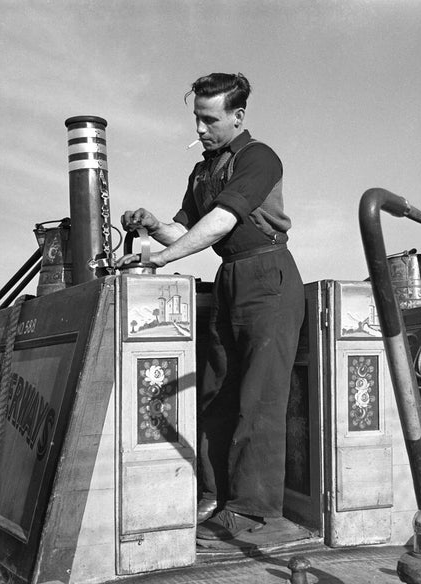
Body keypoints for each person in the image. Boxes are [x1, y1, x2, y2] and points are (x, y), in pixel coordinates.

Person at [118, 72, 305, 541]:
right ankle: (217, 497)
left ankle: (258, 514)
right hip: (229, 281)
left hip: (269, 279)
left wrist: (160, 258)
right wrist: (153, 228)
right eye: (196, 119)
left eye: (209, 119)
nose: (200, 130)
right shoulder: (202, 172)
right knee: (217, 394)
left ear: (237, 116)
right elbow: (185, 232)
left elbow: (221, 223)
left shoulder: (259, 158)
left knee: (258, 400)